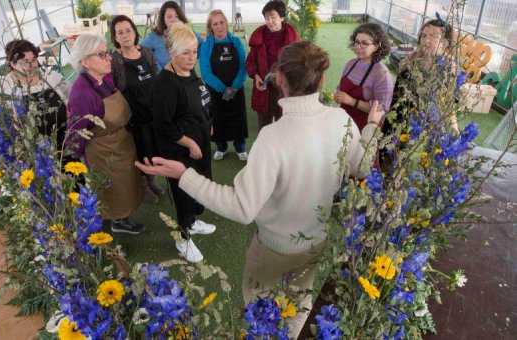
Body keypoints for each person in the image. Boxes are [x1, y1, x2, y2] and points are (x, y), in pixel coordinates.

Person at [137, 41, 384, 337]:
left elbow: (242, 208)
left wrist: (185, 175)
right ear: (321, 80)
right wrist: (370, 126)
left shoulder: (272, 137)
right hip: (315, 243)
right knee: (299, 305)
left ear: (278, 78)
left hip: (271, 249)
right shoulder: (342, 121)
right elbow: (361, 167)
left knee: (258, 313)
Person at [150, 23, 217, 263]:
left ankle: (193, 221)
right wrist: (190, 143)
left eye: (194, 51)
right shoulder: (165, 84)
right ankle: (183, 238)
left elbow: (199, 97)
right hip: (180, 151)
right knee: (184, 195)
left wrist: (207, 122)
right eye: (185, 53)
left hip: (200, 142)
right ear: (171, 53)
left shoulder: (189, 71)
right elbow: (163, 125)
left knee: (199, 187)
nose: (192, 57)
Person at [66, 34, 144, 235]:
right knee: (109, 194)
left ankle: (121, 219)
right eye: (101, 54)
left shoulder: (106, 78)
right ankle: (109, 236)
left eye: (106, 52)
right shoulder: (81, 93)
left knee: (126, 187)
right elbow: (76, 133)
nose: (108, 58)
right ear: (85, 61)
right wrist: (82, 156)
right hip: (103, 153)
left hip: (122, 143)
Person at [109, 15, 165, 204]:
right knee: (138, 151)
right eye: (120, 32)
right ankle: (142, 186)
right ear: (115, 37)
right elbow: (113, 90)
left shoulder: (146, 53)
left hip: (151, 112)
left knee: (153, 149)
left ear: (135, 32)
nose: (125, 36)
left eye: (128, 30)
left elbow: (156, 79)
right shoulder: (115, 61)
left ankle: (151, 180)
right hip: (132, 117)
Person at [0, 39, 71, 151]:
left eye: (33, 60)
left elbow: (75, 96)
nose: (31, 66)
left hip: (65, 143)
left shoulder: (50, 76)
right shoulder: (3, 87)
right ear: (13, 64)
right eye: (25, 62)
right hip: (31, 152)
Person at [199, 10, 249, 161]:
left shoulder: (236, 42)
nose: (219, 26)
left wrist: (234, 87)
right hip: (216, 91)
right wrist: (222, 88)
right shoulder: (206, 46)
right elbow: (205, 73)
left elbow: (243, 67)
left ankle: (240, 148)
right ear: (210, 27)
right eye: (215, 24)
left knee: (238, 119)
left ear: (226, 23)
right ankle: (222, 148)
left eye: (222, 22)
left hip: (236, 90)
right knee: (218, 120)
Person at [246, 0, 300, 131]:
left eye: (273, 17)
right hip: (264, 88)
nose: (270, 21)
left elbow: (298, 64)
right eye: (267, 17)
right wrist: (256, 75)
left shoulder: (293, 38)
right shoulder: (259, 36)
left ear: (282, 17)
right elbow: (251, 61)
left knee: (284, 126)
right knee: (264, 127)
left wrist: (286, 78)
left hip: (284, 88)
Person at [334, 22, 393, 130]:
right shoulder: (351, 63)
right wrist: (338, 96)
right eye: (356, 42)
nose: (358, 47)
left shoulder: (382, 74)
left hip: (365, 127)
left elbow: (382, 110)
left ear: (376, 46)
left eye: (364, 43)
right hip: (345, 122)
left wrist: (352, 101)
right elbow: (340, 87)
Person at [140, 1, 204, 70]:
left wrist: (194, 56)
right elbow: (139, 49)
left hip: (187, 76)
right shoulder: (155, 36)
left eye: (177, 16)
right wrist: (156, 66)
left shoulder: (188, 31)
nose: (173, 20)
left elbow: (202, 44)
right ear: (163, 18)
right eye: (169, 17)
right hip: (165, 77)